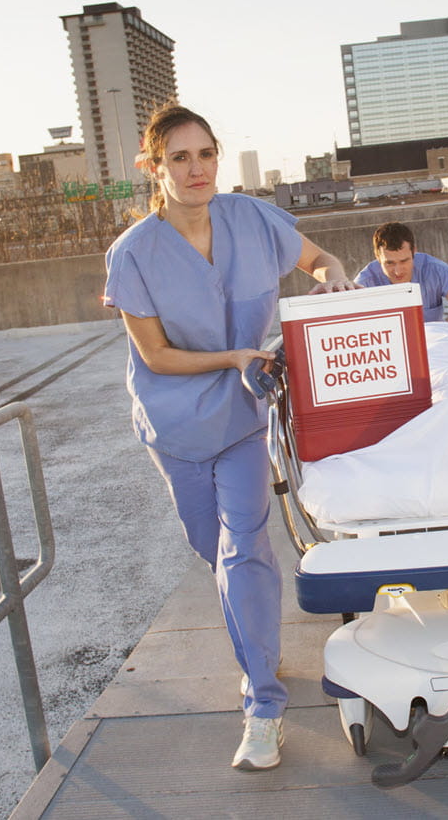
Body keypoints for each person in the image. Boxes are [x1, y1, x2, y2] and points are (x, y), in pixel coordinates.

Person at [101, 103, 354, 772]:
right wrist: (234, 356)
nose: (195, 169)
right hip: (176, 424)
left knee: (244, 546)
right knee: (215, 552)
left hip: (246, 415)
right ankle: (259, 644)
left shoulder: (249, 216)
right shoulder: (132, 255)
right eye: (179, 158)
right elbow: (154, 355)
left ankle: (263, 702)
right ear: (156, 170)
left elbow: (320, 257)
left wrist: (333, 278)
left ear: (217, 157)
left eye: (205, 154)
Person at [353, 221, 448, 330]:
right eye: (390, 263)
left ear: (414, 251)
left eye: (404, 261)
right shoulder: (364, 283)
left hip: (433, 344)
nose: (398, 271)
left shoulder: (436, 269)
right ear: (377, 257)